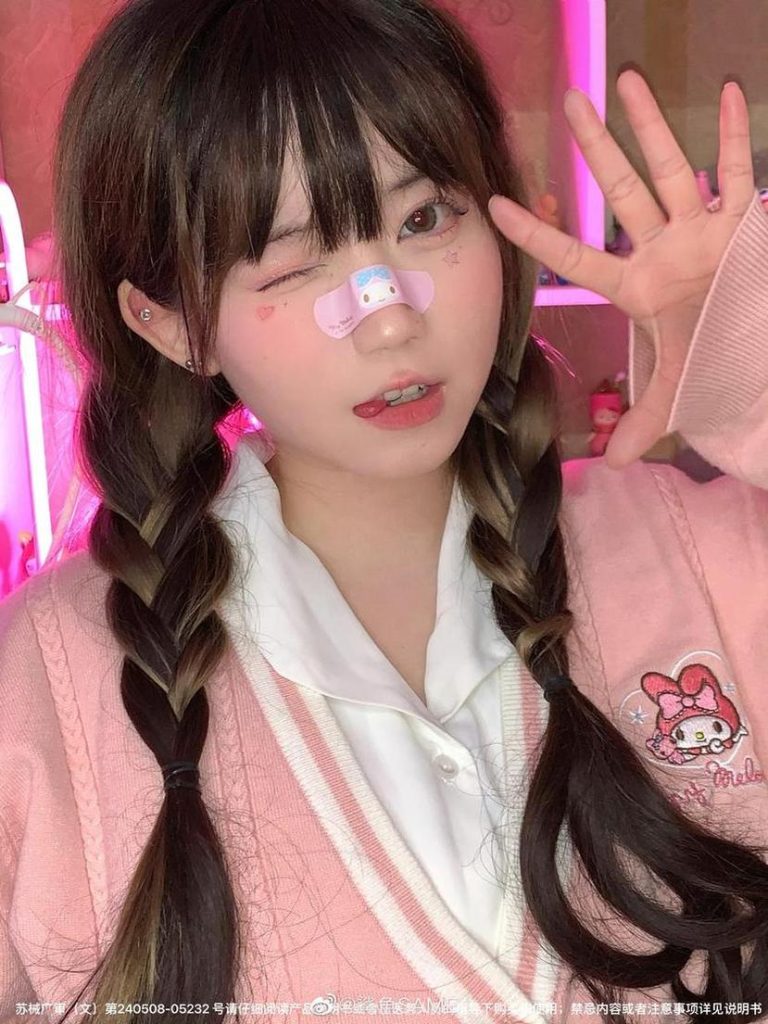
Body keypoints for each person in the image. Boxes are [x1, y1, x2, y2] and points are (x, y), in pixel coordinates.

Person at [1, 1, 768, 1021]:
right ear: (170, 320)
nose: (390, 316)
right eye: (293, 261)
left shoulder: (692, 551)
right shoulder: (46, 684)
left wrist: (754, 363)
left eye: (425, 220)